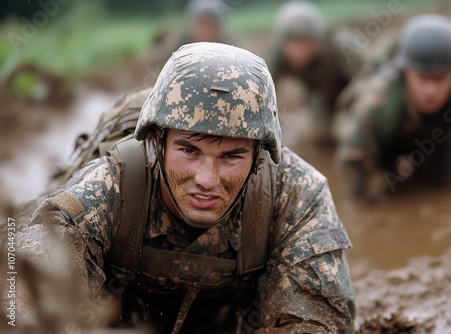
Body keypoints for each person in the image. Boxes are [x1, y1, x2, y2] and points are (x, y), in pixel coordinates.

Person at [8, 43, 355, 333]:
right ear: (157, 142)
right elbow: (30, 295)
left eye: (232, 156)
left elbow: (315, 320)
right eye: (189, 150)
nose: (207, 179)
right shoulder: (108, 188)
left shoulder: (297, 195)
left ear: (259, 157)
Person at [336, 14, 451, 202]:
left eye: (440, 79)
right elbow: (354, 159)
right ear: (405, 73)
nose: (431, 91)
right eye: (422, 78)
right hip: (387, 146)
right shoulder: (377, 100)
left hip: (442, 138)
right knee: (387, 195)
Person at [267, 1, 362, 146]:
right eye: (291, 43)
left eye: (304, 42)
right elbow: (263, 90)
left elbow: (369, 81)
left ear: (318, 41)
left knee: (351, 136)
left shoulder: (341, 45)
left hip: (353, 95)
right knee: (318, 137)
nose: (297, 51)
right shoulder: (277, 55)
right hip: (320, 97)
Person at [146, 0, 238, 71]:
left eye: (210, 25)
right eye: (201, 24)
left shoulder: (229, 47)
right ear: (191, 25)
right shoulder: (178, 43)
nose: (204, 30)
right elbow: (159, 61)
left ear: (218, 28)